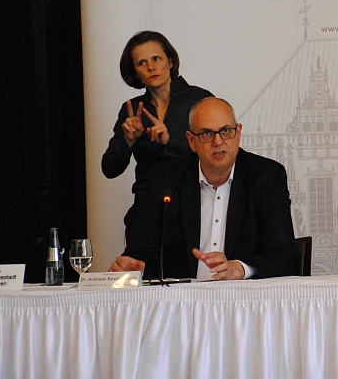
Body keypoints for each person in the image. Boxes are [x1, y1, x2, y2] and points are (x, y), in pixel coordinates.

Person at [109, 97, 297, 280]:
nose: (218, 141)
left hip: (245, 303)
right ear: (191, 141)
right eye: (207, 133)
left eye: (226, 131)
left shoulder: (266, 176)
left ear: (238, 133)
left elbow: (283, 255)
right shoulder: (164, 179)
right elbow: (143, 251)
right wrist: (136, 268)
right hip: (181, 304)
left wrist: (239, 268)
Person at [101, 31, 213, 232]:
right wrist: (128, 141)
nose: (151, 67)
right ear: (136, 73)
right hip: (146, 212)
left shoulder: (200, 100)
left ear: (170, 62)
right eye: (141, 63)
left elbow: (215, 156)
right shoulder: (132, 109)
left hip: (195, 210)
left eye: (156, 59)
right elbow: (109, 169)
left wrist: (170, 141)